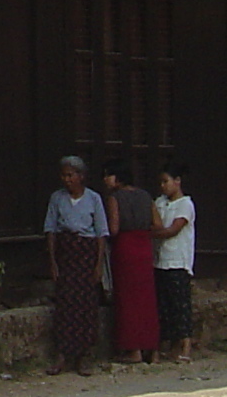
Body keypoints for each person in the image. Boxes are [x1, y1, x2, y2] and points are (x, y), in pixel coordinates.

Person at [43, 157, 108, 375]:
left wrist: (98, 265)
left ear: (81, 177)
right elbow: (51, 230)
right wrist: (53, 262)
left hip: (86, 254)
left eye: (71, 175)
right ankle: (62, 355)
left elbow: (101, 235)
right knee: (65, 305)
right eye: (64, 175)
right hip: (66, 252)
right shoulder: (57, 198)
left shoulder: (94, 199)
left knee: (86, 306)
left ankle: (83, 357)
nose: (67, 179)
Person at [102, 160, 159, 365]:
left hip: (125, 249)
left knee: (128, 300)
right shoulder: (145, 196)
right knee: (146, 299)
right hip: (143, 247)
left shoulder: (115, 198)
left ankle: (133, 349)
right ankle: (152, 349)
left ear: (117, 178)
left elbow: (114, 228)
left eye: (108, 175)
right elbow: (158, 224)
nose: (105, 180)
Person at [153, 163, 197, 362]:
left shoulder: (186, 205)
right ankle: (169, 345)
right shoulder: (160, 202)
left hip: (178, 261)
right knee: (165, 306)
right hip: (161, 260)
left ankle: (186, 345)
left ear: (177, 182)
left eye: (166, 181)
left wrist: (153, 234)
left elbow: (173, 230)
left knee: (181, 306)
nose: (163, 186)